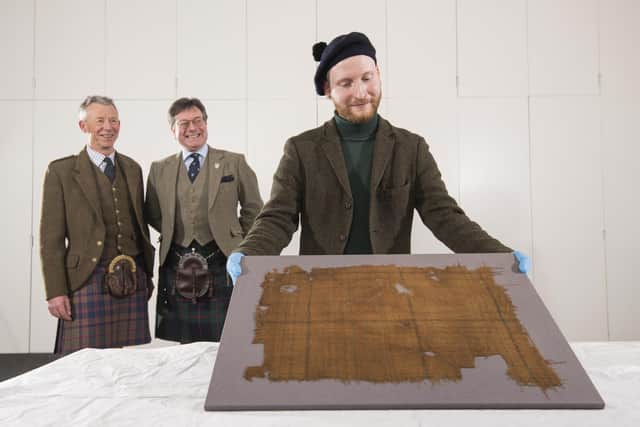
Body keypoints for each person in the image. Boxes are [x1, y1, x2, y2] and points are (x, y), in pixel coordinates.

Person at [227, 32, 531, 282]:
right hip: (319, 289)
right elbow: (278, 217)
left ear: (379, 75)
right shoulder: (301, 149)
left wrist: (499, 254)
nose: (361, 93)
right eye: (346, 83)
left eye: (367, 78)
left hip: (392, 288)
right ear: (327, 89)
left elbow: (445, 217)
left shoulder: (411, 148)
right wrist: (249, 253)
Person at [40, 95, 155, 354]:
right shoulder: (62, 171)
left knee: (120, 360)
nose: (108, 127)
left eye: (113, 120)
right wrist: (55, 291)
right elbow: (52, 240)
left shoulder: (132, 168)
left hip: (130, 275)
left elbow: (139, 226)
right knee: (82, 362)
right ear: (84, 126)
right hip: (86, 278)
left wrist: (146, 275)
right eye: (100, 120)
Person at [144, 97, 263, 343]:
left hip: (224, 260)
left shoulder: (234, 162)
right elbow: (154, 213)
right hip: (177, 263)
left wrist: (236, 238)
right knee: (185, 344)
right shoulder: (159, 169)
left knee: (227, 338)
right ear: (173, 130)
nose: (192, 128)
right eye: (184, 123)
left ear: (206, 124)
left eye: (198, 121)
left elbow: (254, 209)